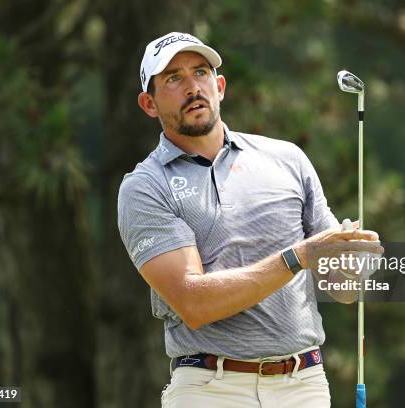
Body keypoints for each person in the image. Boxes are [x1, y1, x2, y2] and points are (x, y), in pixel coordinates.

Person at [117, 32, 381, 408]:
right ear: (149, 103)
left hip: (303, 385)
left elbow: (342, 289)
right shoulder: (146, 187)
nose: (193, 87)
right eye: (174, 79)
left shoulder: (287, 159)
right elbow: (194, 304)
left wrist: (356, 261)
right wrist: (299, 256)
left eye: (201, 73)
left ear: (220, 86)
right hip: (212, 387)